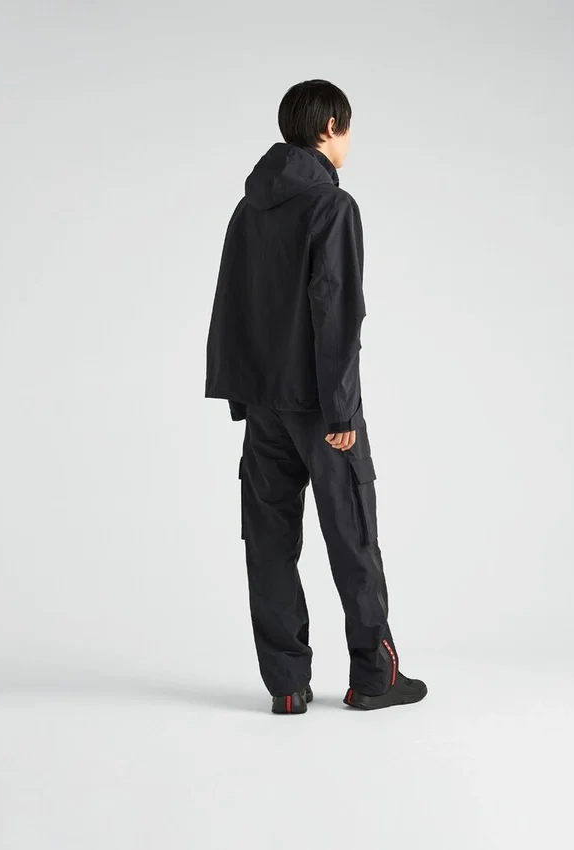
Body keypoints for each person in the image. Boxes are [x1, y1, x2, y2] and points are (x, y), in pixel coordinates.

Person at [205, 79, 427, 714]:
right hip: (320, 409)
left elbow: (232, 301)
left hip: (263, 405)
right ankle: (373, 678)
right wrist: (341, 410)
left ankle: (286, 686)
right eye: (347, 128)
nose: (350, 141)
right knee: (351, 534)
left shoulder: (248, 209)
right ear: (330, 127)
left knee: (269, 541)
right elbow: (336, 310)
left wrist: (242, 395)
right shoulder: (332, 206)